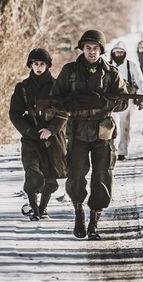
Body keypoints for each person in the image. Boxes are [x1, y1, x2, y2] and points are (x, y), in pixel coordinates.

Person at [47, 29, 129, 240]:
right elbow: (54, 100)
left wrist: (105, 102)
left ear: (101, 50)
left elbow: (123, 101)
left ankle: (94, 222)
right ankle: (78, 214)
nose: (92, 52)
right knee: (75, 176)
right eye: (88, 48)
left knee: (102, 176)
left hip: (103, 132)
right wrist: (71, 104)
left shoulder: (111, 73)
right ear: (82, 49)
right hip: (77, 131)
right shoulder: (70, 71)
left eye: (95, 48)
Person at [8, 48, 67, 220]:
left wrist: (51, 129)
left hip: (52, 139)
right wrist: (29, 131)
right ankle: (33, 208)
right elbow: (15, 113)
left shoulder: (58, 87)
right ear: (30, 65)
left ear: (48, 66)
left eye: (42, 64)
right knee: (33, 173)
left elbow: (63, 113)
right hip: (31, 139)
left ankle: (43, 209)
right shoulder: (23, 88)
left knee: (50, 177)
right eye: (35, 64)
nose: (39, 67)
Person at [109, 40, 143, 161]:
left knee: (125, 126)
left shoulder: (132, 65)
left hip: (127, 100)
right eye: (116, 52)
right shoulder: (107, 65)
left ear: (125, 53)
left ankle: (122, 151)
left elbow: (140, 82)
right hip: (111, 101)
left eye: (121, 52)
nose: (118, 54)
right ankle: (109, 150)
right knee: (110, 126)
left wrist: (141, 98)